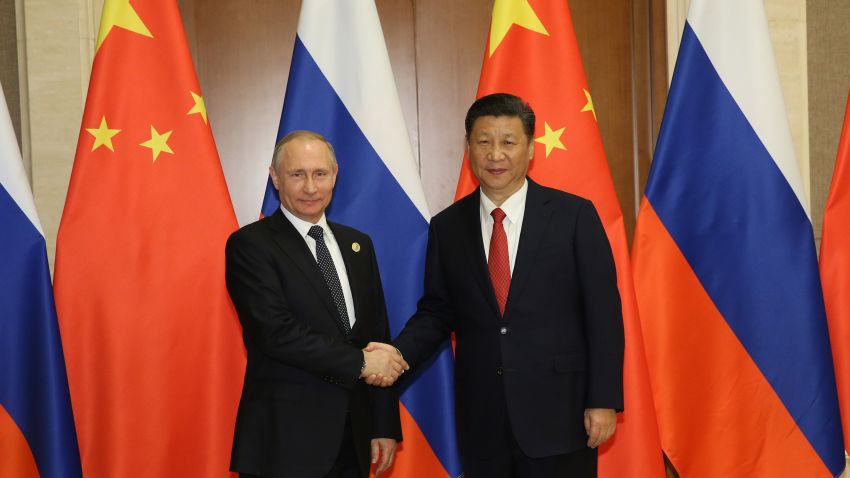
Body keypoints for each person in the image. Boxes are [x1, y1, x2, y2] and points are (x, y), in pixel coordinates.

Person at [369, 93, 624, 477]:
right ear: (469, 147)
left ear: (530, 149)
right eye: (484, 141)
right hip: (483, 418)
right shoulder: (448, 226)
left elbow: (603, 315)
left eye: (508, 142)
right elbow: (438, 312)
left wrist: (602, 400)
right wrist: (396, 355)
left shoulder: (574, 216)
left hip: (561, 414)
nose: (495, 155)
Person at [225, 130, 407, 478]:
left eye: (320, 174)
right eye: (297, 175)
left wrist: (383, 424)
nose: (310, 187)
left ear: (335, 175)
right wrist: (360, 363)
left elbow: (377, 335)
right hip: (285, 443)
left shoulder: (358, 245)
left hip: (353, 439)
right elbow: (275, 333)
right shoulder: (250, 246)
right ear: (275, 178)